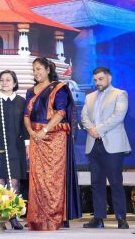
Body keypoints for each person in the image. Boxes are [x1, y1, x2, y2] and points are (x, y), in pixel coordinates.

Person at [24, 57, 81, 231]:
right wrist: (32, 132)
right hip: (36, 137)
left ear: (48, 70)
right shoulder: (30, 91)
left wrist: (45, 130)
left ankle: (55, 216)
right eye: (34, 69)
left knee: (53, 177)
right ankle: (37, 217)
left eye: (39, 69)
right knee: (37, 178)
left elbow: (61, 112)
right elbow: (26, 115)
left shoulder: (59, 88)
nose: (36, 72)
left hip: (55, 137)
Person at [81, 67, 131, 230]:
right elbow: (84, 117)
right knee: (96, 183)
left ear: (109, 78)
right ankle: (98, 218)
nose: (98, 82)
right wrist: (91, 129)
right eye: (95, 80)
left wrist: (98, 129)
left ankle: (121, 218)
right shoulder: (89, 97)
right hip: (93, 145)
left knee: (116, 182)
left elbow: (118, 116)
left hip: (112, 145)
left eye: (101, 79)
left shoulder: (120, 94)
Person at [0, 70, 28, 230]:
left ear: (15, 83)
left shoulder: (21, 101)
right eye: (2, 80)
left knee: (14, 181)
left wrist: (27, 145)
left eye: (8, 80)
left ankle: (13, 216)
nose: (5, 83)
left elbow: (25, 125)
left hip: (16, 146)